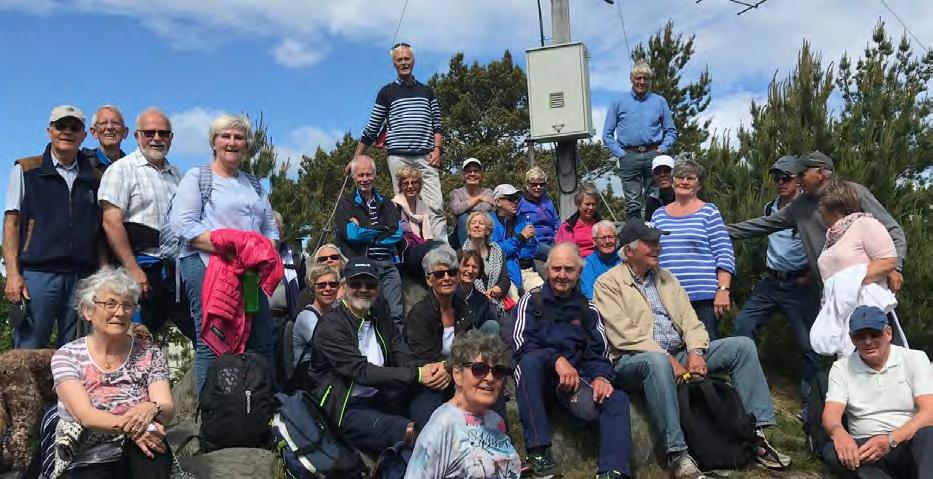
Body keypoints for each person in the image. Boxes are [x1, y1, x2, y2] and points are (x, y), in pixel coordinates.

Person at [593, 218, 790, 478]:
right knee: (657, 362)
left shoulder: (666, 277)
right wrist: (667, 358)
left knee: (741, 346)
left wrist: (696, 352)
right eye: (650, 243)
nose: (658, 247)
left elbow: (691, 321)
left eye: (658, 241)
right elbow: (624, 335)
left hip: (678, 352)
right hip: (634, 360)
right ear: (629, 251)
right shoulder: (608, 284)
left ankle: (757, 432)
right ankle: (677, 455)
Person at [169, 113, 279, 392]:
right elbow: (183, 225)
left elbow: (270, 228)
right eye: (225, 136)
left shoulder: (254, 184)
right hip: (209, 266)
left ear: (246, 144)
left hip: (249, 273)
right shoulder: (198, 177)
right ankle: (214, 411)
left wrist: (265, 250)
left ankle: (260, 406)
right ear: (214, 142)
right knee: (213, 339)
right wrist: (235, 247)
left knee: (260, 336)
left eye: (238, 137)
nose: (232, 142)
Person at [513, 243, 633, 479]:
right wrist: (556, 359)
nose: (562, 275)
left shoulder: (588, 310)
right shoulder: (532, 300)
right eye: (556, 268)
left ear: (579, 272)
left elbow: (600, 353)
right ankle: (539, 454)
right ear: (547, 270)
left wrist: (601, 376)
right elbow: (519, 345)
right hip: (541, 381)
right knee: (528, 363)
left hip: (577, 383)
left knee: (616, 398)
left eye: (569, 269)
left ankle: (613, 470)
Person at [308, 259, 450, 455]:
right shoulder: (331, 327)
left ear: (378, 288)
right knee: (406, 433)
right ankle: (431, 445)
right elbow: (362, 371)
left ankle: (436, 435)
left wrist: (434, 369)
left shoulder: (378, 313)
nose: (363, 289)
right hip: (346, 407)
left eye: (370, 284)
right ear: (344, 287)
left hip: (381, 395)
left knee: (431, 390)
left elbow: (400, 351)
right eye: (356, 284)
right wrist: (417, 374)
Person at [51, 267, 176, 478]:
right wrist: (134, 428)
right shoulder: (67, 355)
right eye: (110, 304)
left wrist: (151, 407)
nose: (120, 312)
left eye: (127, 305)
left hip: (143, 442)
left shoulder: (150, 352)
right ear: (87, 311)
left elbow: (166, 406)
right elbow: (85, 415)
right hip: (90, 449)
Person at [728, 151, 907, 294]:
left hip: (868, 287)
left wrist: (895, 266)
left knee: (874, 337)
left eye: (801, 175)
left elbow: (891, 229)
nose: (797, 181)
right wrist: (713, 230)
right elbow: (761, 225)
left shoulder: (854, 193)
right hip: (829, 290)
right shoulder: (799, 206)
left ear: (820, 173)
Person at [3, 105, 103, 348]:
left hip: (82, 277)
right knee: (28, 350)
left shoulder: (95, 178)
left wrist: (102, 273)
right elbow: (11, 224)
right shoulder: (26, 169)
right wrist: (13, 274)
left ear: (84, 135)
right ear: (50, 131)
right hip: (38, 274)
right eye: (61, 126)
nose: (67, 132)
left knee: (78, 354)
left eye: (74, 127)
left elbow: (100, 231)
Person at [98, 108, 193, 341]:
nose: (157, 138)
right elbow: (111, 222)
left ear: (171, 138)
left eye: (163, 133)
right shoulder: (121, 170)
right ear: (137, 136)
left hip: (174, 272)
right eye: (150, 132)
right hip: (138, 268)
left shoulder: (179, 177)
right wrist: (132, 269)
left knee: (202, 337)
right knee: (133, 341)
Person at [733, 155, 820, 402]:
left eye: (786, 178)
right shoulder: (770, 208)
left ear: (799, 181)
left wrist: (812, 276)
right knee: (744, 324)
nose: (780, 182)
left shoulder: (810, 210)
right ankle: (747, 384)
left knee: (811, 344)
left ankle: (811, 399)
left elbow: (826, 245)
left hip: (799, 284)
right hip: (771, 281)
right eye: (776, 178)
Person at [821, 305, 932, 478]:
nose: (867, 341)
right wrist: (839, 434)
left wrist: (891, 439)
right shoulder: (841, 368)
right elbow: (831, 415)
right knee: (834, 451)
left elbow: (930, 411)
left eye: (874, 334)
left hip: (907, 440)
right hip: (865, 446)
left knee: (929, 434)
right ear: (852, 339)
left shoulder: (914, 358)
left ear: (888, 333)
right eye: (860, 336)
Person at [354, 42, 447, 243]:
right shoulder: (387, 92)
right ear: (394, 64)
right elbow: (372, 128)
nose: (404, 62)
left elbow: (437, 125)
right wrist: (356, 159)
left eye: (406, 59)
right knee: (403, 205)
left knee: (435, 205)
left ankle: (441, 251)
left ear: (413, 61)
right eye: (399, 60)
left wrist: (437, 149)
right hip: (399, 157)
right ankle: (411, 246)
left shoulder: (427, 91)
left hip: (426, 156)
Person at [405, 331, 521, 479]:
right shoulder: (442, 427)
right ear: (457, 374)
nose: (490, 378)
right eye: (480, 369)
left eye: (498, 371)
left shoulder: (496, 421)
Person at [810, 179, 903, 355]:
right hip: (844, 316)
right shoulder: (832, 238)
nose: (819, 211)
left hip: (869, 314)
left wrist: (847, 282)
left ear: (833, 205)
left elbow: (888, 260)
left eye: (821, 205)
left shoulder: (865, 225)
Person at [651, 160, 735, 340]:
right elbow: (651, 255)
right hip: (667, 298)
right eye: (680, 177)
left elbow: (724, 253)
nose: (684, 181)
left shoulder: (709, 212)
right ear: (672, 181)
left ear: (699, 185)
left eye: (690, 178)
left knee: (706, 351)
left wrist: (723, 289)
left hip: (702, 299)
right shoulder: (658, 215)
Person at [335, 155, 405, 331]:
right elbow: (352, 234)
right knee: (365, 313)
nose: (365, 179)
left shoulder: (386, 203)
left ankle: (398, 355)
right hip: (362, 265)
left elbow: (396, 233)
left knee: (396, 314)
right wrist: (381, 229)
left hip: (388, 265)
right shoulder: (346, 203)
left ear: (375, 175)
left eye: (368, 174)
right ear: (353, 177)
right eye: (360, 175)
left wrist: (365, 230)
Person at [602, 60, 678, 220]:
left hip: (653, 154)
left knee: (655, 198)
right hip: (629, 155)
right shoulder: (618, 102)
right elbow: (607, 135)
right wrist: (620, 154)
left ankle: (657, 234)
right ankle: (635, 239)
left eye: (645, 78)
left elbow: (671, 131)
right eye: (638, 78)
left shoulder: (659, 101)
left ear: (649, 80)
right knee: (632, 203)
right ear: (632, 79)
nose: (642, 82)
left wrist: (662, 149)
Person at [404, 246, 479, 365]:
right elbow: (422, 359)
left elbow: (471, 345)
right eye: (439, 274)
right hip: (432, 375)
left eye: (452, 272)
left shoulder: (461, 306)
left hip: (459, 370)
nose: (447, 278)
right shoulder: (419, 314)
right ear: (429, 280)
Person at [392, 165, 443, 278]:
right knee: (434, 246)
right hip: (405, 252)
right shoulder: (394, 206)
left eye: (414, 182)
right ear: (400, 186)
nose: (410, 186)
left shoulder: (424, 208)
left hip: (422, 250)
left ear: (419, 185)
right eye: (406, 183)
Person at [461, 211, 512, 320]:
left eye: (481, 223)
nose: (477, 225)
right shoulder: (460, 254)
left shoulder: (497, 251)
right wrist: (481, 296)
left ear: (488, 230)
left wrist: (495, 290)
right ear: (469, 229)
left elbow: (505, 279)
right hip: (471, 303)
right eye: (473, 223)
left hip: (495, 301)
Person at [489, 184, 538, 294]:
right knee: (513, 303)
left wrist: (510, 249)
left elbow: (532, 250)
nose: (515, 202)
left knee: (542, 298)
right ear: (497, 202)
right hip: (505, 274)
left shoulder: (524, 220)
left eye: (517, 199)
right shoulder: (489, 222)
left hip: (527, 271)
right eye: (511, 198)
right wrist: (520, 238)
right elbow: (495, 251)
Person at [291, 263, 340, 369]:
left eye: (333, 284)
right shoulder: (306, 317)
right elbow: (329, 346)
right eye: (322, 285)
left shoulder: (336, 312)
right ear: (313, 288)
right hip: (308, 378)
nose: (328, 288)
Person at [448, 157, 495, 248]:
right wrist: (479, 198)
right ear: (463, 175)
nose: (472, 174)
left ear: (481, 175)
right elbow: (456, 209)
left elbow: (487, 207)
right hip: (461, 236)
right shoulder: (456, 193)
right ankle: (469, 253)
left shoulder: (488, 192)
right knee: (463, 217)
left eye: (476, 171)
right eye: (468, 171)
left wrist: (466, 206)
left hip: (483, 232)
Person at [517, 166, 560, 261]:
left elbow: (556, 223)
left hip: (551, 241)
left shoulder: (548, 201)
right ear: (527, 185)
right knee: (556, 256)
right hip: (534, 244)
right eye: (534, 184)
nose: (538, 187)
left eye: (542, 184)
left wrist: (558, 239)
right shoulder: (521, 204)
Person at [456, 250, 501, 336]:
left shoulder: (482, 300)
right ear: (458, 267)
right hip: (453, 343)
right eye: (466, 265)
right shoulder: (448, 295)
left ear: (479, 271)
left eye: (474, 267)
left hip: (475, 344)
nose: (470, 270)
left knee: (492, 325)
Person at [555, 183, 602, 258]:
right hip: (574, 262)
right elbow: (560, 250)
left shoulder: (603, 225)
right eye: (587, 204)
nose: (591, 207)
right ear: (578, 205)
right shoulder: (566, 227)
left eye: (594, 204)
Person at [580, 220, 622, 300]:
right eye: (603, 238)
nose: (607, 241)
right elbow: (590, 295)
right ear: (594, 241)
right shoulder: (589, 264)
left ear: (616, 239)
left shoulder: (624, 259)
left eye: (610, 237)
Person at [82, 105, 128, 171]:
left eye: (115, 123)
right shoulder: (80, 163)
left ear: (125, 132)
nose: (109, 127)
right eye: (103, 123)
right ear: (94, 132)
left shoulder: (133, 168)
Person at [644, 155, 675, 220]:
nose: (662, 174)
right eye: (657, 172)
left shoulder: (684, 196)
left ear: (674, 173)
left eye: (667, 170)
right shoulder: (651, 200)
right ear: (654, 176)